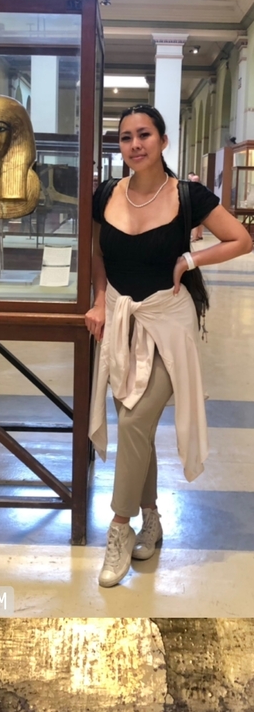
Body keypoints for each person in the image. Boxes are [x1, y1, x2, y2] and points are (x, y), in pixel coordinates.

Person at [85, 104, 252, 588]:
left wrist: (190, 259)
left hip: (168, 324)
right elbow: (97, 253)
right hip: (120, 323)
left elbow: (241, 239)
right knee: (135, 425)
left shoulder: (188, 195)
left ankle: (120, 526)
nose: (135, 145)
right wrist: (99, 301)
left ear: (162, 140)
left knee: (136, 419)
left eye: (144, 135)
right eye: (125, 138)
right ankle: (152, 517)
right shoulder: (105, 194)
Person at [188, 172, 204, 241]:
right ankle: (199, 235)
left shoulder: (192, 188)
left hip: (195, 207)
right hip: (201, 206)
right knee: (201, 222)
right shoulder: (202, 187)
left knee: (195, 223)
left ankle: (194, 237)